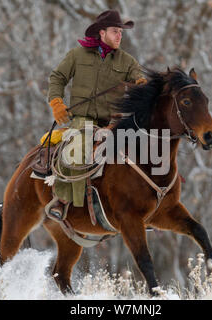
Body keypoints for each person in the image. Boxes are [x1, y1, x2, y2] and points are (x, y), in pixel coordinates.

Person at [46, 10, 147, 220]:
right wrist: (56, 102)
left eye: (121, 32)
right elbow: (58, 77)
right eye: (115, 31)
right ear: (102, 33)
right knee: (75, 150)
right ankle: (63, 200)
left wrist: (143, 86)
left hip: (114, 122)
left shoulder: (127, 61)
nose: (119, 35)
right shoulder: (77, 55)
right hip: (83, 120)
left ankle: (145, 208)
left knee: (146, 153)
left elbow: (139, 77)